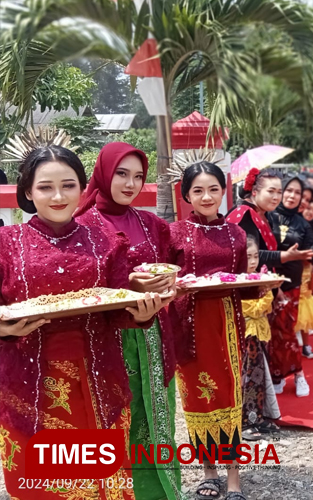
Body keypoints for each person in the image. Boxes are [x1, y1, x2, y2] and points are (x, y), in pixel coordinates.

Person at [0, 146, 165, 500]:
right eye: (45, 187)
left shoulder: (105, 241)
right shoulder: (6, 244)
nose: (58, 196)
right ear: (28, 192)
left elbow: (120, 304)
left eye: (68, 185)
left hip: (98, 376)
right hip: (31, 382)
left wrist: (144, 310)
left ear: (82, 187)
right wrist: (3, 328)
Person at [76, 142, 182, 499]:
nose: (130, 184)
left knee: (157, 421)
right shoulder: (82, 226)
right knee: (118, 422)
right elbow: (78, 287)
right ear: (104, 173)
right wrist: (128, 285)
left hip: (153, 335)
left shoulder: (151, 223)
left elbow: (168, 272)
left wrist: (168, 285)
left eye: (138, 176)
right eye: (121, 173)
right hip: (109, 339)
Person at [169, 161, 262, 500]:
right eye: (198, 190)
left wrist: (262, 283)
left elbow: (242, 285)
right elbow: (168, 281)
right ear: (186, 195)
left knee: (229, 398)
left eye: (213, 189)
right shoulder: (174, 233)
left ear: (224, 192)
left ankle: (234, 478)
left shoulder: (236, 234)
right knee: (196, 399)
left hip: (225, 324)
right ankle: (209, 473)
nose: (206, 196)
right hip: (189, 324)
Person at [268, 176, 313, 395]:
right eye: (288, 191)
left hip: (292, 285)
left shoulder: (303, 224)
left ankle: (298, 375)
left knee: (288, 331)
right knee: (270, 334)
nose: (292, 196)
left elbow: (311, 255)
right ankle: (277, 375)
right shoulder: (267, 217)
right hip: (265, 283)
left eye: (297, 193)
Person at [240, 236, 281, 437]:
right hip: (246, 334)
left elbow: (265, 305)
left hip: (259, 333)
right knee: (249, 378)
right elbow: (253, 309)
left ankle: (260, 416)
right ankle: (247, 421)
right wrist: (266, 295)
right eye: (248, 257)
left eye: (256, 256)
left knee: (261, 376)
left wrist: (266, 295)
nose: (253, 261)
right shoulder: (237, 281)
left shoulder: (259, 278)